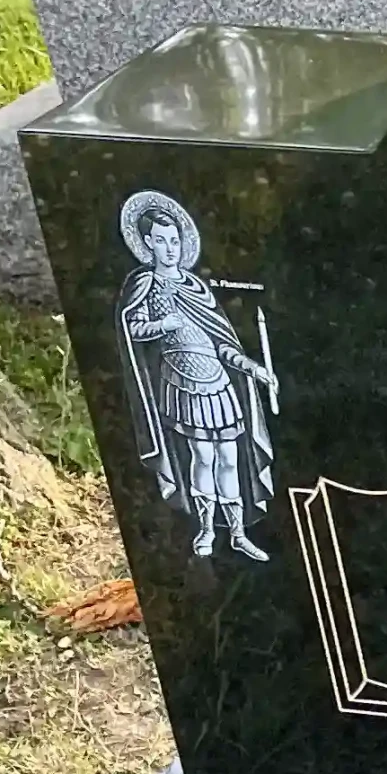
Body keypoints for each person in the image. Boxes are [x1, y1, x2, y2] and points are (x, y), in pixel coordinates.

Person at [116, 190, 277, 559]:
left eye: (175, 240)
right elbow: (131, 327)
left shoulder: (198, 287)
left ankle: (238, 533)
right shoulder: (145, 285)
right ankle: (205, 530)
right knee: (202, 456)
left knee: (230, 458)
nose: (170, 248)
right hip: (181, 381)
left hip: (218, 383)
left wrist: (253, 368)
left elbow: (222, 343)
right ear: (147, 243)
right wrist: (161, 324)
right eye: (161, 241)